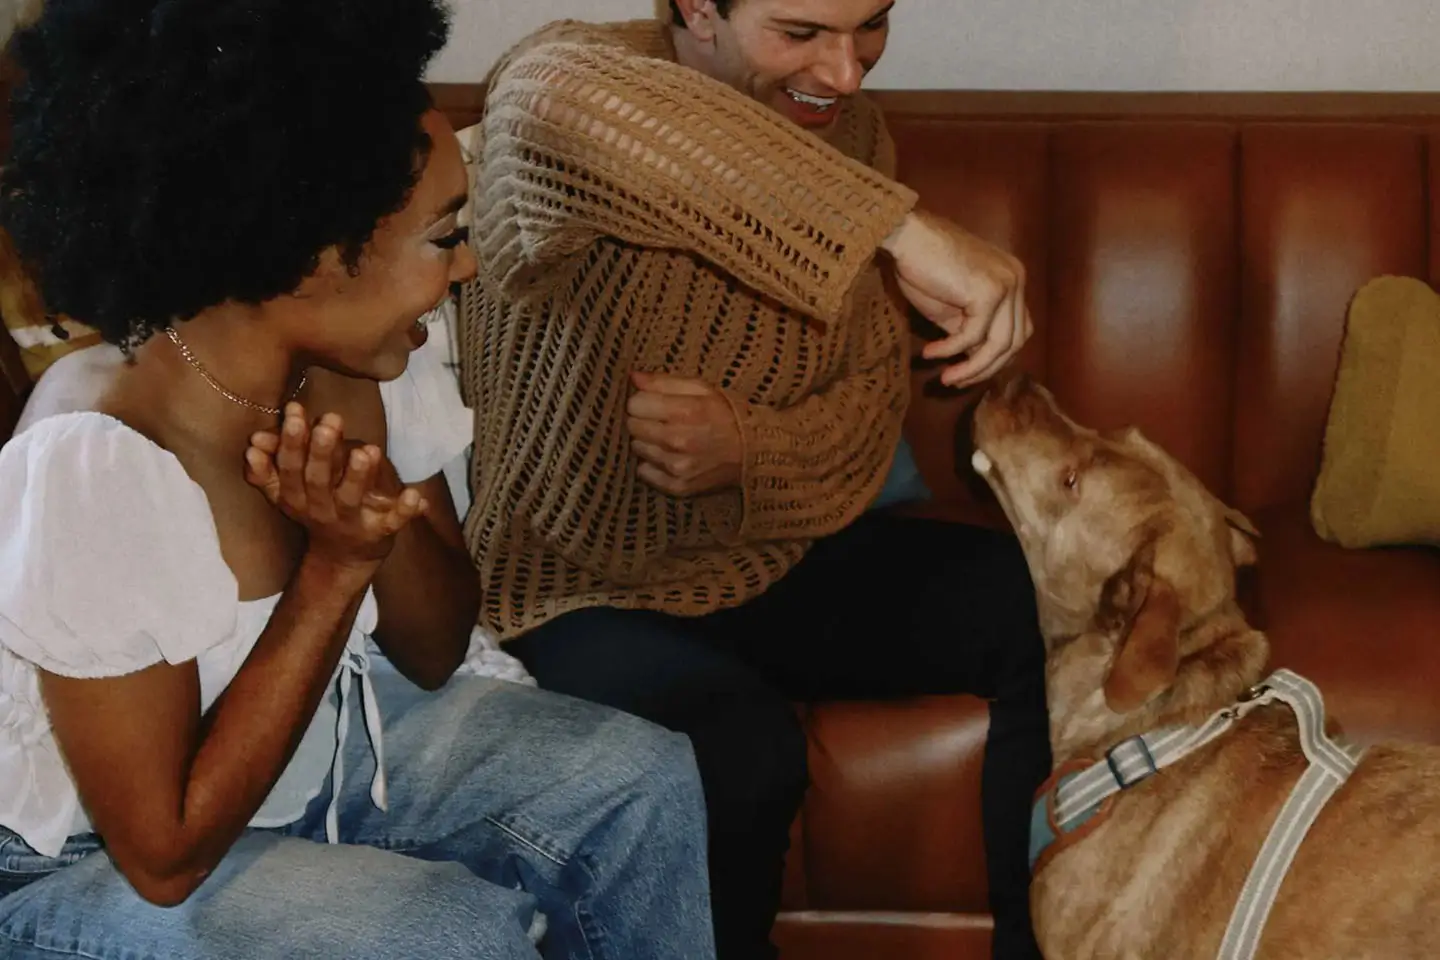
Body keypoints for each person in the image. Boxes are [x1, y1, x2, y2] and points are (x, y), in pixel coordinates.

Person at [0, 2, 717, 958]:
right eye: (443, 238)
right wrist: (334, 569)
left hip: (306, 764)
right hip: (72, 864)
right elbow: (163, 855)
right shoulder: (101, 450)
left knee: (636, 780)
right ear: (308, 254)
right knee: (443, 931)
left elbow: (433, 649)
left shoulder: (359, 363)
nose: (465, 269)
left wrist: (378, 519)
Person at [457, 1, 1051, 958]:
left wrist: (751, 452)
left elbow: (866, 397)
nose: (848, 70)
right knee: (733, 753)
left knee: (1045, 603)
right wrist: (898, 230)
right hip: (573, 588)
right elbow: (570, 109)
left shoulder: (850, 134)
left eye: (871, 27)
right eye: (803, 31)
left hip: (773, 559)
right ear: (697, 6)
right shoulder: (561, 92)